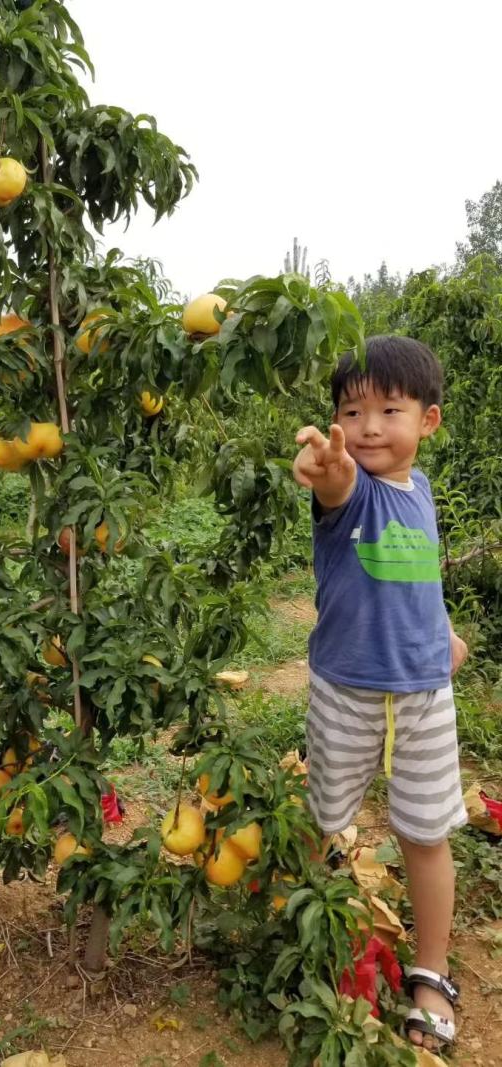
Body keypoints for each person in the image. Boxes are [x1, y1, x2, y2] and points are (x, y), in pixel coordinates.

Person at [292, 335, 469, 1053]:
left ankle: (431, 970)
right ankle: (313, 930)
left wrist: (445, 630)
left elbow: (418, 572)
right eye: (351, 409)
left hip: (425, 694)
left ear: (427, 419)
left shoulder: (419, 491)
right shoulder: (351, 487)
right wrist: (327, 469)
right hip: (348, 693)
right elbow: (333, 480)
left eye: (387, 409)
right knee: (323, 822)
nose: (366, 426)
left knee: (425, 835)